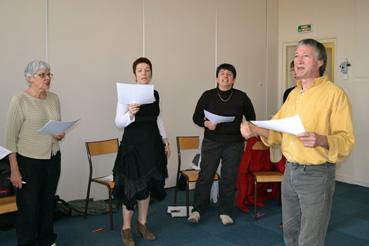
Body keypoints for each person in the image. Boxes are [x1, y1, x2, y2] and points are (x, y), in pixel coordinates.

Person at [240, 38, 355, 246]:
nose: (298, 61)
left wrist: (322, 139)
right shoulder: (293, 95)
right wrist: (254, 129)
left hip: (317, 175)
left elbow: (346, 140)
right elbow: (277, 132)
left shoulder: (335, 95)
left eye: (305, 56)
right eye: (296, 56)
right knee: (291, 233)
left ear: (320, 62)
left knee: (310, 238)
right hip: (290, 172)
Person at [5, 60, 64, 246]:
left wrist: (58, 135)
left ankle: (47, 240)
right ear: (29, 78)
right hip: (28, 162)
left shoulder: (54, 98)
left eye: (49, 74)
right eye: (42, 75)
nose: (47, 78)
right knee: (28, 208)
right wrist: (14, 170)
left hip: (53, 158)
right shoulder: (19, 100)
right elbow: (9, 140)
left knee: (47, 204)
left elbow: (54, 129)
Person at [188, 63, 255, 225]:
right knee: (206, 175)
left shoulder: (241, 96)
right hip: (212, 141)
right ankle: (197, 210)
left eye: (229, 74)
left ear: (234, 79)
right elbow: (196, 117)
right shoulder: (208, 95)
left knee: (229, 177)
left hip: (234, 143)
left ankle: (225, 211)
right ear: (216, 78)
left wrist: (246, 127)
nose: (225, 77)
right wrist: (206, 123)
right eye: (222, 74)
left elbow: (252, 118)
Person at [113, 57, 170, 246]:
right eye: (140, 70)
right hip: (133, 147)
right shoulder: (126, 94)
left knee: (146, 187)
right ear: (134, 74)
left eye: (147, 70)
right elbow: (118, 122)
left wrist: (165, 138)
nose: (144, 73)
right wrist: (130, 113)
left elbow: (158, 118)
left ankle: (142, 224)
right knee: (131, 189)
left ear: (151, 72)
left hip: (152, 145)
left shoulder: (155, 93)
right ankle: (126, 229)